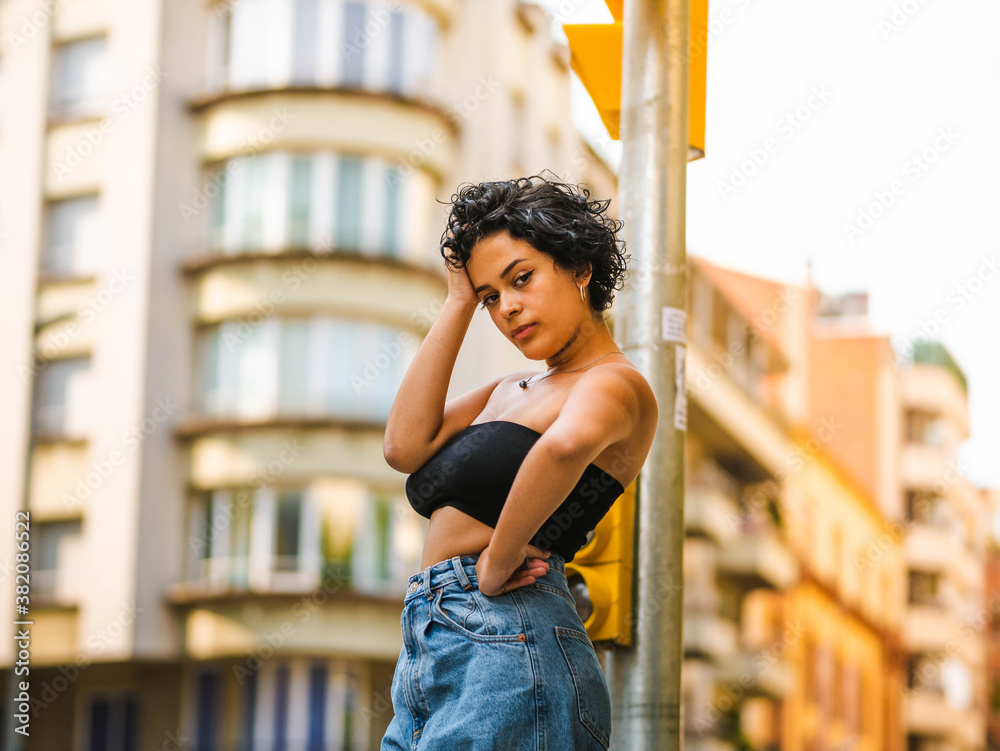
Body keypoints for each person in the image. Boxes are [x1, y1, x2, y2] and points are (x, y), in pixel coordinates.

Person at [380, 173, 658, 750]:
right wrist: (458, 301)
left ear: (580, 269)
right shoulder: (511, 387)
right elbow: (404, 446)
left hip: (511, 634)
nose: (507, 308)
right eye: (490, 297)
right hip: (435, 638)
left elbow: (562, 448)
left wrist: (496, 561)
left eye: (521, 279)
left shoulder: (616, 384)